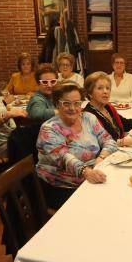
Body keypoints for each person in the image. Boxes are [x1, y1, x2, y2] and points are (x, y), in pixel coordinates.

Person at [36, 82, 117, 210]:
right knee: (103, 207)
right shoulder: (49, 129)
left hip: (91, 175)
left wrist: (101, 158)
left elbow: (108, 140)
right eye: (66, 103)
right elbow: (63, 158)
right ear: (57, 104)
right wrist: (86, 172)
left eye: (77, 103)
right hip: (62, 185)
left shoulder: (88, 118)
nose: (73, 108)